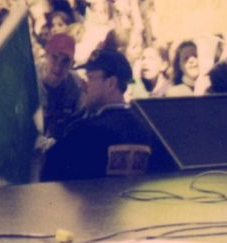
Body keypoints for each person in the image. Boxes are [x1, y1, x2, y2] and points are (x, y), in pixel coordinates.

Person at [40, 48, 157, 182]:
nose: (83, 85)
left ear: (111, 83)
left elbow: (50, 171)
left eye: (90, 78)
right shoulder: (144, 128)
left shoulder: (88, 131)